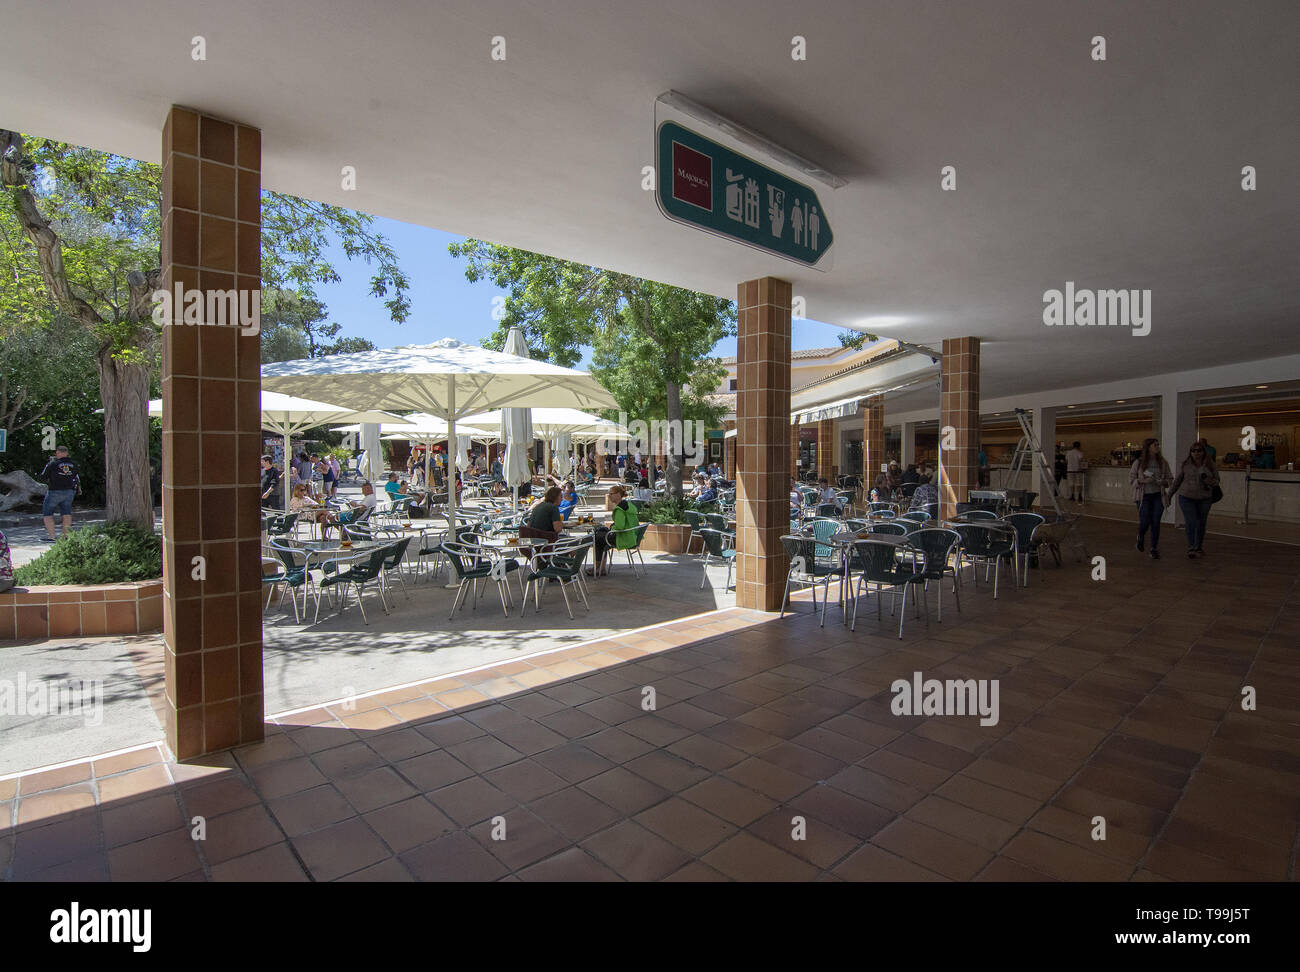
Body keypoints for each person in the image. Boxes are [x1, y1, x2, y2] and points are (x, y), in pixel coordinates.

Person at [1170, 440, 1219, 558]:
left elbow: (1216, 481)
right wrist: (1169, 495)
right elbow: (1178, 480)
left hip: (1204, 498)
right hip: (1187, 497)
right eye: (1193, 451)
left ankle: (1198, 546)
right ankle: (1191, 547)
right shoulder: (1186, 465)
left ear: (1204, 452)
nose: (1196, 453)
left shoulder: (1210, 465)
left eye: (1199, 451)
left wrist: (1206, 478)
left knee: (1201, 523)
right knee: (1191, 521)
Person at [1130, 438, 1172, 559]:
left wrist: (1163, 482)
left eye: (1158, 445)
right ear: (1148, 447)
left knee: (1156, 522)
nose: (1157, 447)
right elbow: (1131, 480)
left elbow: (1170, 479)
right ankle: (1141, 536)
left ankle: (1154, 548)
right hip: (1144, 496)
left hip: (1158, 495)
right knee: (1145, 521)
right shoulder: (1139, 462)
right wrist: (1141, 481)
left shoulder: (1163, 462)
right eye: (1155, 445)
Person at [589, 484, 637, 576]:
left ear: (618, 494)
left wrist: (611, 528)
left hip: (623, 538)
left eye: (611, 494)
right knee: (601, 532)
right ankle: (600, 568)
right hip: (631, 536)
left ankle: (598, 567)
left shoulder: (619, 509)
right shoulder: (628, 505)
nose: (609, 496)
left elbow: (619, 526)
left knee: (597, 538)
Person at [40, 445, 81, 542]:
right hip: (69, 491)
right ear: (67, 453)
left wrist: (49, 464)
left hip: (55, 491)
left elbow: (42, 477)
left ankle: (52, 537)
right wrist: (79, 488)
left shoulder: (53, 464)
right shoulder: (74, 464)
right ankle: (66, 536)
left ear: (57, 453)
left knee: (47, 513)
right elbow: (76, 477)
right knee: (66, 513)